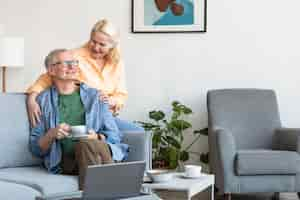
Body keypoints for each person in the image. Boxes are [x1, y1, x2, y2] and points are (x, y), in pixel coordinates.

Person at [29, 49, 128, 190]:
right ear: (51, 70)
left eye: (75, 62)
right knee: (84, 145)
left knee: (86, 143)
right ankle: (115, 185)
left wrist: (97, 137)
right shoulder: (42, 101)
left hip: (98, 152)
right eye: (66, 63)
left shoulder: (96, 97)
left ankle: (101, 189)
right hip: (66, 161)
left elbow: (115, 136)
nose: (73, 66)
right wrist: (51, 135)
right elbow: (36, 149)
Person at [26, 19, 143, 131]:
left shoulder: (117, 63)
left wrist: (112, 100)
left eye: (102, 45)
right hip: (85, 117)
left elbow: (121, 95)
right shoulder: (75, 56)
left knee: (138, 133)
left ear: (112, 46)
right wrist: (32, 99)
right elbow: (48, 77)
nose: (96, 47)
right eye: (93, 41)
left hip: (106, 116)